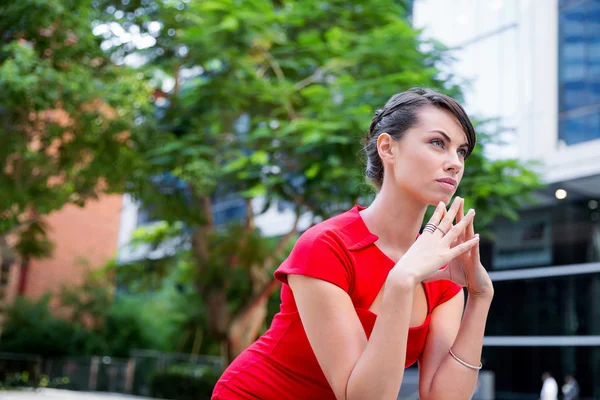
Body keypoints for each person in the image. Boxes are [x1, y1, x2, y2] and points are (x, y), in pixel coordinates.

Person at [212, 88, 494, 400]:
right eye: (438, 143)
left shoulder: (441, 265)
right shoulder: (326, 245)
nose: (454, 163)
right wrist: (401, 282)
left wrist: (480, 297)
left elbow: (443, 398)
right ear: (388, 148)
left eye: (461, 151)